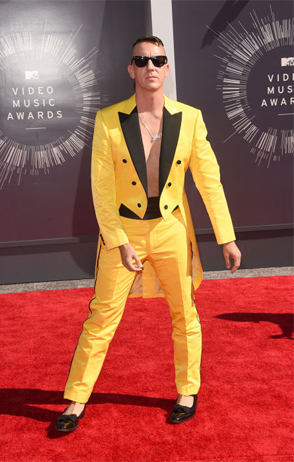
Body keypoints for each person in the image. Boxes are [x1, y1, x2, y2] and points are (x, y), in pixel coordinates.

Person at [54, 35, 241, 432]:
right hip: (123, 230)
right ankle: (75, 400)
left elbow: (210, 183)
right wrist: (119, 241)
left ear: (167, 67)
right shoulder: (109, 120)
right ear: (131, 69)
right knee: (101, 317)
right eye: (142, 60)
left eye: (158, 60)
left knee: (184, 312)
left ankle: (187, 391)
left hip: (172, 228)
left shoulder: (190, 118)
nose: (150, 67)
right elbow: (101, 189)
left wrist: (226, 236)